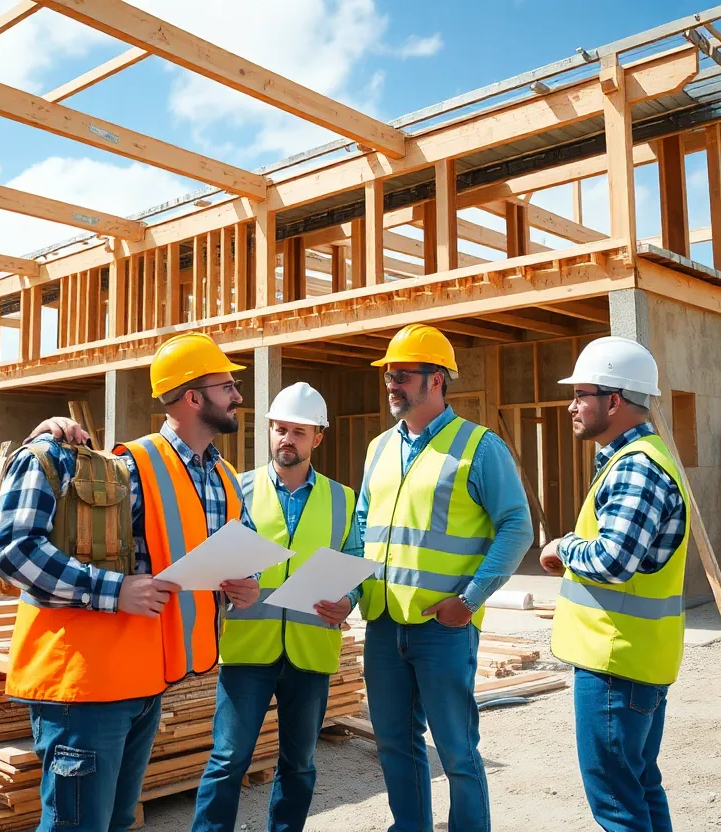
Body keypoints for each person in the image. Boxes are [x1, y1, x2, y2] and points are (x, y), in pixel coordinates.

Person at [0, 331, 261, 832]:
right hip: (86, 685)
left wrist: (245, 581)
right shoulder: (124, 467)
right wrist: (115, 591)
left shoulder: (223, 477)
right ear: (194, 397)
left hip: (146, 682)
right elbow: (12, 554)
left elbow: (239, 549)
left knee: (116, 822)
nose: (238, 396)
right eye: (228, 386)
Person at [356, 324, 534, 832]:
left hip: (444, 627)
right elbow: (364, 526)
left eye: (403, 375)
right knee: (394, 742)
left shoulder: (479, 446)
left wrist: (471, 599)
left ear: (436, 379)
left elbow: (517, 526)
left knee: (456, 751)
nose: (392, 383)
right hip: (384, 624)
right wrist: (350, 591)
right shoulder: (378, 449)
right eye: (389, 375)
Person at [192, 382, 361, 832]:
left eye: (299, 432)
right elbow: (206, 561)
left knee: (300, 763)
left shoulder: (343, 499)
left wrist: (349, 600)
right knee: (228, 761)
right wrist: (224, 588)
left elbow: (356, 563)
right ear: (268, 431)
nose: (288, 439)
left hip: (310, 651)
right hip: (248, 649)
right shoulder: (234, 488)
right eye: (280, 429)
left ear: (317, 438)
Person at [540, 336, 688, 832]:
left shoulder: (636, 468)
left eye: (581, 394)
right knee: (640, 786)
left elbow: (613, 560)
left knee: (618, 804)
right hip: (633, 661)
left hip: (615, 666)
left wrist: (563, 548)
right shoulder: (641, 458)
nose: (571, 406)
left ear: (614, 400)